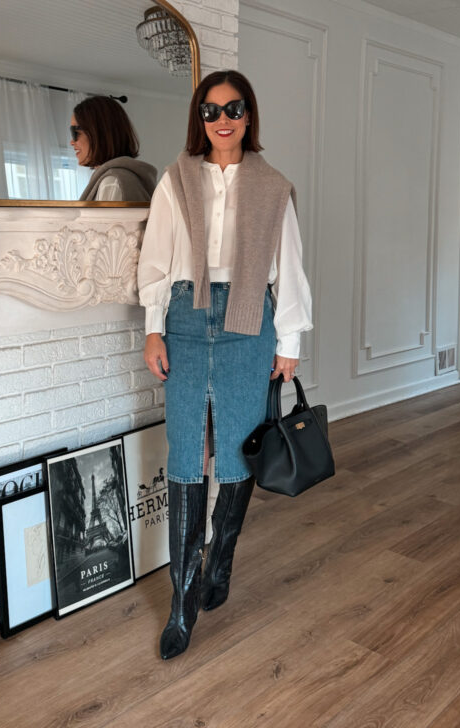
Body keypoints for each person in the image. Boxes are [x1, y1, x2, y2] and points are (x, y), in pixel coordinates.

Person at [137, 70, 312, 659]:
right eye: (212, 111)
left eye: (233, 108)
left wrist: (289, 343)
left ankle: (220, 564)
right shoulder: (175, 179)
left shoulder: (273, 185)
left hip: (249, 326)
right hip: (186, 321)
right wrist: (152, 329)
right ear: (200, 119)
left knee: (237, 455)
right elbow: (156, 260)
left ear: (248, 115)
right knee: (187, 456)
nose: (223, 119)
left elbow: (289, 267)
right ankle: (181, 604)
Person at [70, 95, 157, 202]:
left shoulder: (112, 183)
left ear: (98, 132)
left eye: (75, 132)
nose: (72, 142)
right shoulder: (120, 179)